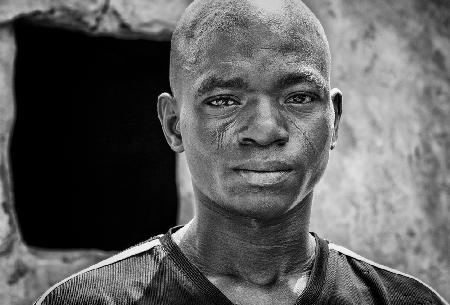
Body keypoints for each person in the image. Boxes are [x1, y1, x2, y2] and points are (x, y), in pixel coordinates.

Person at [35, 0, 448, 304]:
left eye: (299, 97)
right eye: (223, 101)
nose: (266, 130)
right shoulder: (91, 301)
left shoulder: (403, 300)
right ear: (174, 125)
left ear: (333, 120)